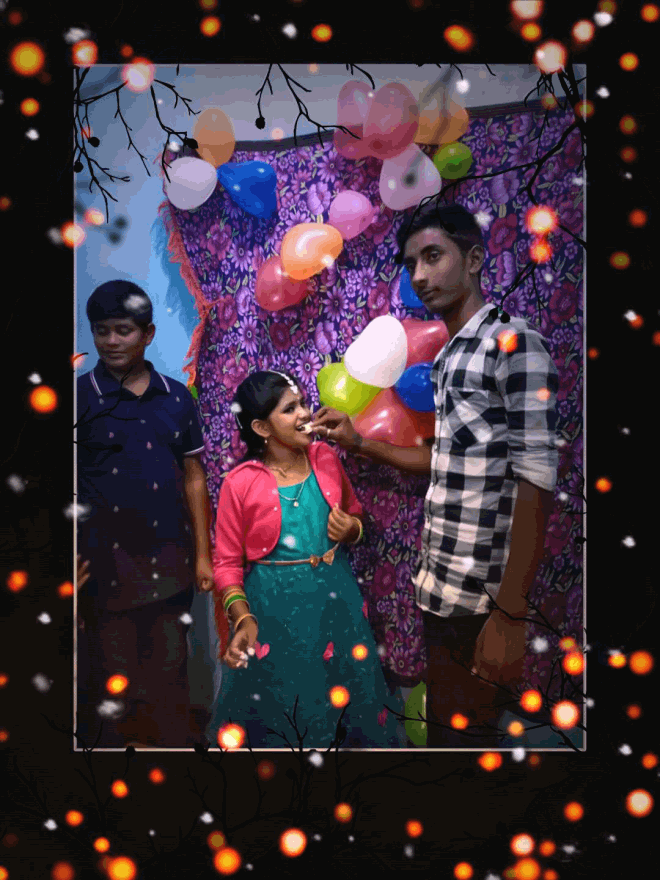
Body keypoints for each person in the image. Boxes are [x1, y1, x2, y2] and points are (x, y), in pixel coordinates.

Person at [310, 202, 559, 747]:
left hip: (484, 599)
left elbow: (536, 481)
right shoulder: (448, 358)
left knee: (471, 743)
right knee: (450, 735)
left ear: (473, 259)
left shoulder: (513, 343)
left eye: (433, 256)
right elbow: (447, 457)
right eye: (411, 263)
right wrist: (359, 442)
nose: (420, 275)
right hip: (440, 588)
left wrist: (509, 615)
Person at [207, 370, 402, 749]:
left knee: (348, 701)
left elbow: (356, 515)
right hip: (275, 615)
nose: (304, 414)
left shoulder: (325, 458)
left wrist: (352, 529)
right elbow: (226, 563)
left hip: (336, 606)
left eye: (302, 403)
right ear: (262, 428)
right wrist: (243, 618)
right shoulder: (239, 483)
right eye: (289, 409)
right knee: (287, 707)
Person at [76, 280, 214, 748]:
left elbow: (194, 476)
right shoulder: (79, 398)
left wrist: (203, 555)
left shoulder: (176, 398)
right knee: (107, 687)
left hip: (171, 566)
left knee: (168, 681)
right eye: (102, 331)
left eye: (124, 330)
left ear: (148, 333)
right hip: (102, 569)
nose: (112, 341)